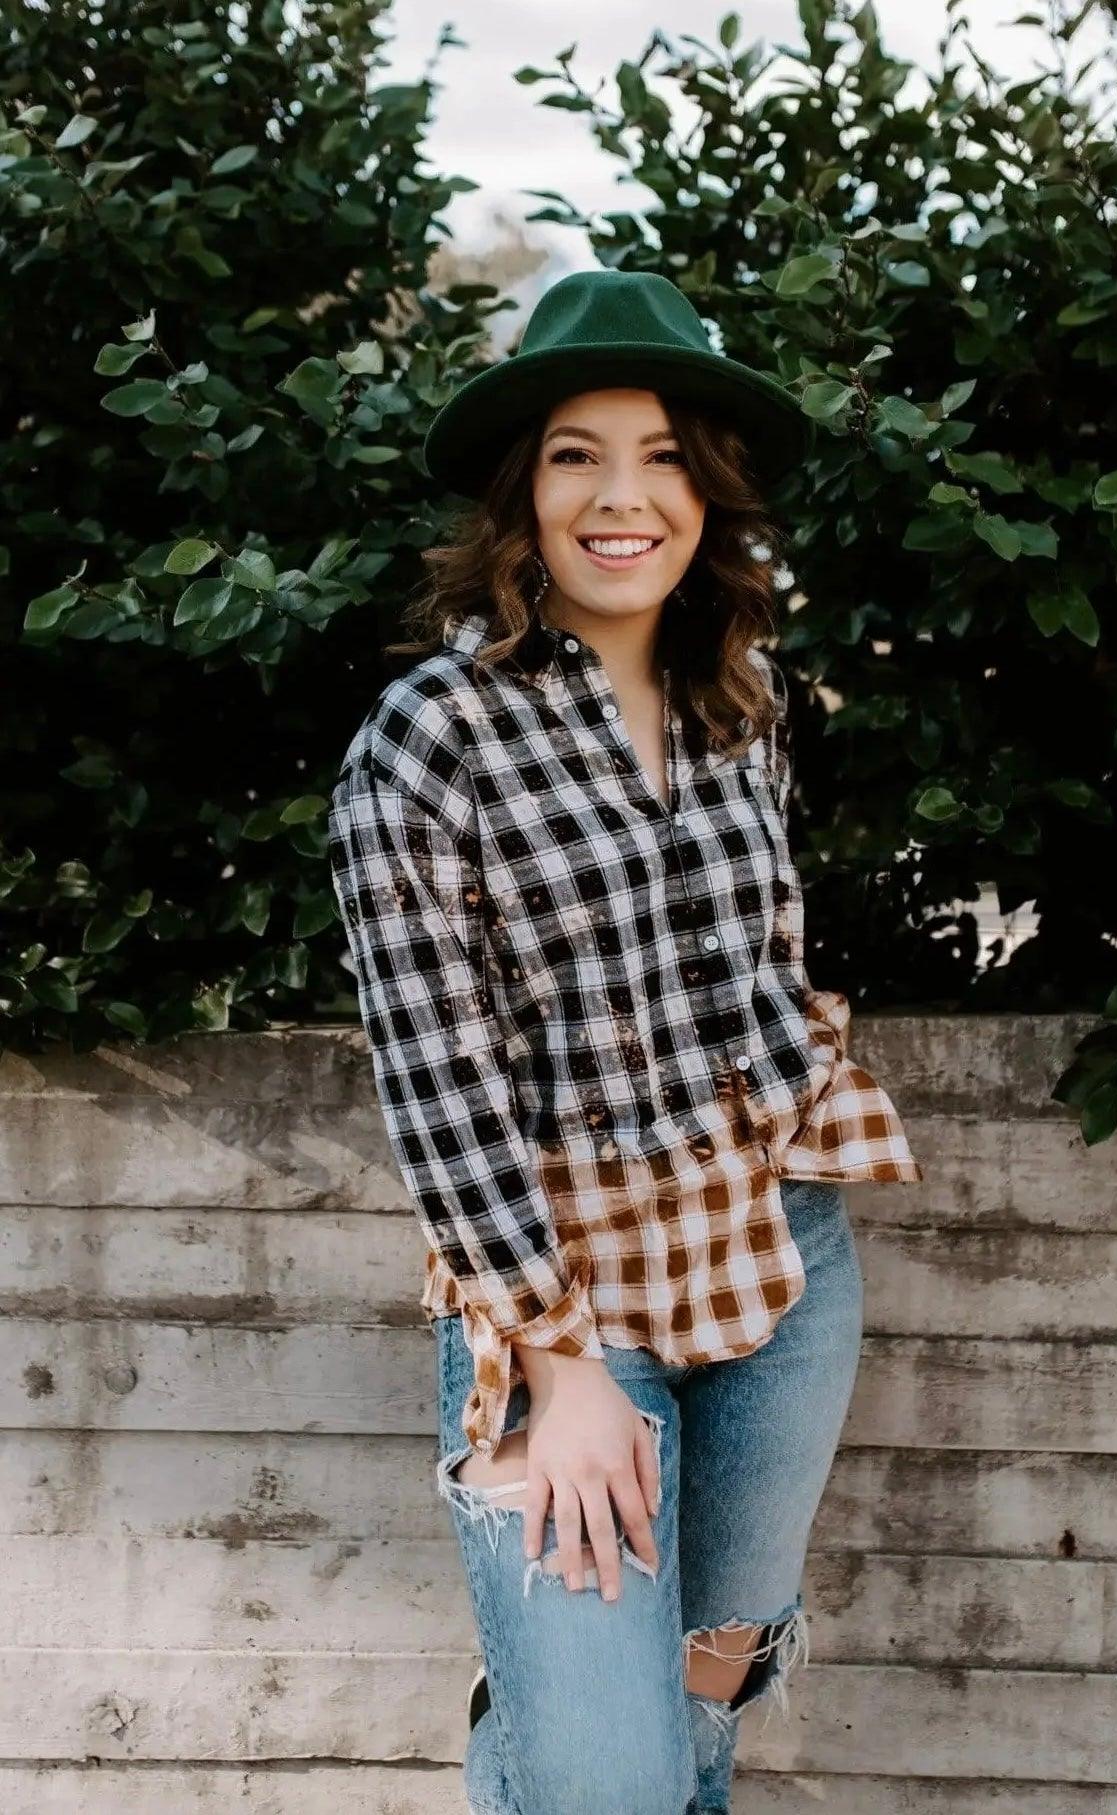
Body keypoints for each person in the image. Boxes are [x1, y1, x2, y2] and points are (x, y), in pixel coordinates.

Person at [329, 269, 922, 1815]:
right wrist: (558, 1361)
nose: (622, 496)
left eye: (662, 455)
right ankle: (536, 1722)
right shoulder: (431, 734)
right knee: (604, 1780)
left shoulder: (742, 696)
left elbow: (766, 959)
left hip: (775, 1257)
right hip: (565, 1293)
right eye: (576, 452)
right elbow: (434, 1078)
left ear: (707, 495)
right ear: (523, 493)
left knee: (708, 1680)